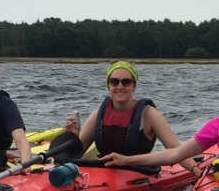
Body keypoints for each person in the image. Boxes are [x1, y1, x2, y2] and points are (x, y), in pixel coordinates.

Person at [64, 60, 199, 173]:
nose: (120, 86)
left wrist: (195, 170)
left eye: (126, 82)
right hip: (104, 172)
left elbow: (176, 150)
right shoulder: (97, 116)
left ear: (134, 86)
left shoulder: (150, 115)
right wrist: (72, 137)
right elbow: (75, 155)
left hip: (139, 173)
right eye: (114, 82)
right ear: (108, 86)